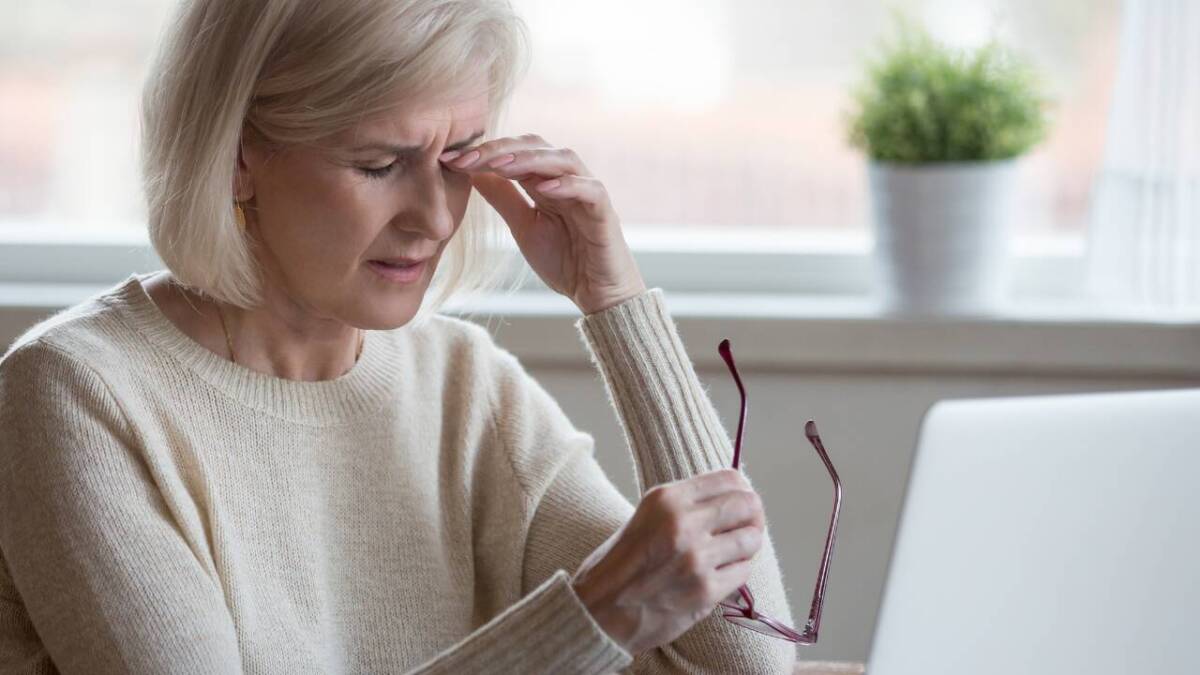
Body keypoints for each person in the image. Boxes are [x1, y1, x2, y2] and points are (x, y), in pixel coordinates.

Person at [0, 0, 796, 672]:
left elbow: (748, 657)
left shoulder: (462, 383)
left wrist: (615, 299)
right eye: (382, 164)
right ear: (239, 158)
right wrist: (588, 620)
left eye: (455, 161)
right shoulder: (73, 395)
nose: (439, 216)